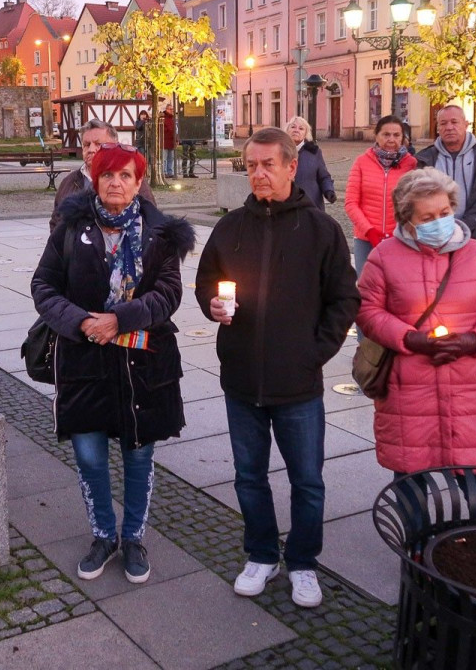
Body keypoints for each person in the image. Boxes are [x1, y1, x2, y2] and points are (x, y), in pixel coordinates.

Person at [195, 128, 360, 608]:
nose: (259, 174)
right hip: (242, 377)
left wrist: (314, 353)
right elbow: (208, 280)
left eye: (269, 164)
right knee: (249, 476)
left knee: (307, 479)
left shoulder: (320, 229)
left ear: (292, 166)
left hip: (298, 381)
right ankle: (262, 554)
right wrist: (213, 305)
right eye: (251, 166)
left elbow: (344, 298)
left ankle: (304, 563)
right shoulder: (230, 227)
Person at [32, 143, 193, 585]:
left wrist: (118, 318)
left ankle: (134, 536)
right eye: (108, 175)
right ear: (95, 180)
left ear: (139, 182)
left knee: (138, 454)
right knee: (90, 455)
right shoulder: (71, 226)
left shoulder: (161, 234)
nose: (116, 183)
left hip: (142, 364)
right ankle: (103, 534)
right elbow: (44, 286)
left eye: (125, 176)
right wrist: (84, 322)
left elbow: (168, 295)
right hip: (84, 359)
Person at [356, 168, 476, 503]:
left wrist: (474, 340)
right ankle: (414, 552)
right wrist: (410, 338)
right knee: (412, 494)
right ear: (408, 220)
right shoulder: (384, 257)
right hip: (409, 391)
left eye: (444, 213)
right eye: (427, 217)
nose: (439, 222)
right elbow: (367, 311)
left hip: (468, 389)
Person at [416, 105, 476, 247]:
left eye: (454, 122)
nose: (449, 127)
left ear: (465, 124)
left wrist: (464, 225)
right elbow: (418, 197)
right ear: (438, 128)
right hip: (436, 235)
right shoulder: (425, 159)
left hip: (475, 233)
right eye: (443, 123)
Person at [344, 115, 418, 273]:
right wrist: (369, 230)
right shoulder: (362, 162)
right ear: (376, 136)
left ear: (403, 138)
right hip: (366, 239)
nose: (391, 139)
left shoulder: (411, 164)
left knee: (396, 287)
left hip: (399, 239)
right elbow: (351, 203)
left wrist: (402, 230)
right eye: (386, 134)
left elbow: (415, 204)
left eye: (396, 135)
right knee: (366, 287)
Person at [51, 119, 155, 232]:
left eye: (98, 144)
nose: (91, 149)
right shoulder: (69, 181)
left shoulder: (131, 181)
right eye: (86, 145)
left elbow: (151, 221)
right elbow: (56, 222)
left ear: (114, 146)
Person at [285, 116, 336, 210]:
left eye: (301, 128)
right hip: (286, 206)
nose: (296, 130)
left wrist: (329, 191)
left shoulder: (314, 152)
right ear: (287, 130)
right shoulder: (279, 151)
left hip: (310, 205)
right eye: (293, 127)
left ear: (305, 134)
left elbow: (324, 176)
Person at [162, 104, 177, 179]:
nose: (172, 111)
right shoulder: (163, 118)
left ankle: (170, 172)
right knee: (164, 158)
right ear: (166, 109)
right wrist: (169, 130)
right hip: (164, 141)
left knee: (170, 158)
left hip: (171, 141)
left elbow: (175, 130)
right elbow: (162, 129)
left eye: (172, 109)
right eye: (170, 109)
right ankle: (164, 172)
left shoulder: (172, 118)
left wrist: (176, 139)